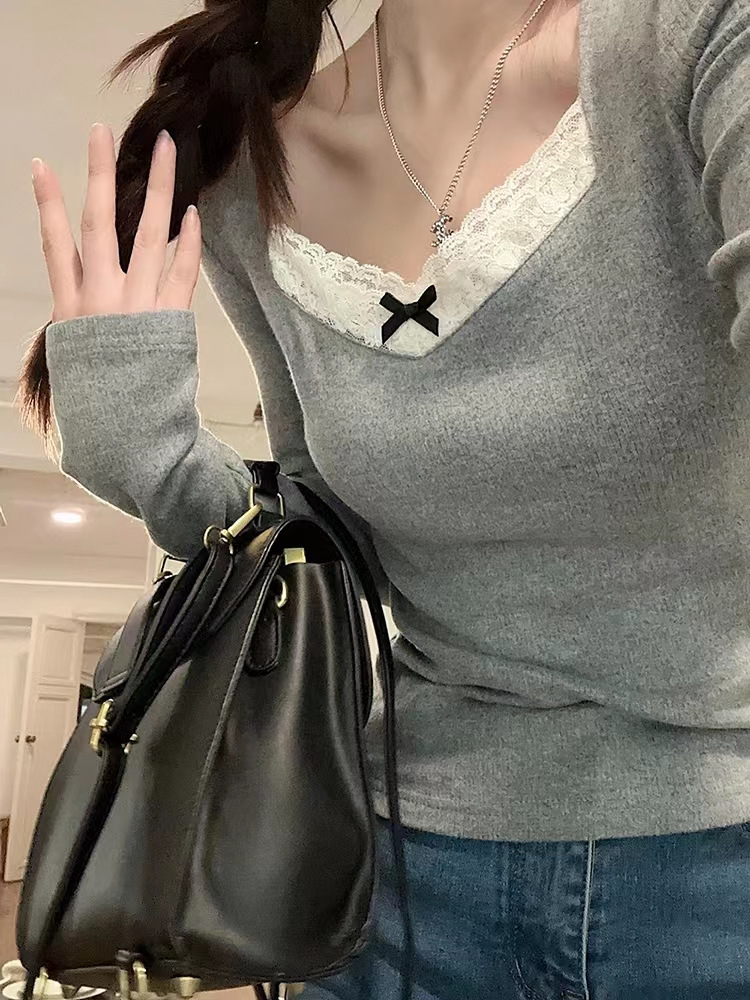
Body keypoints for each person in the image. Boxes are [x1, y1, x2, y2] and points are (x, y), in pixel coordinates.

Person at [16, 0, 750, 995]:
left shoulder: (697, 36)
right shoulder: (248, 174)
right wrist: (143, 450)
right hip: (401, 878)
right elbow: (323, 536)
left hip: (723, 857)